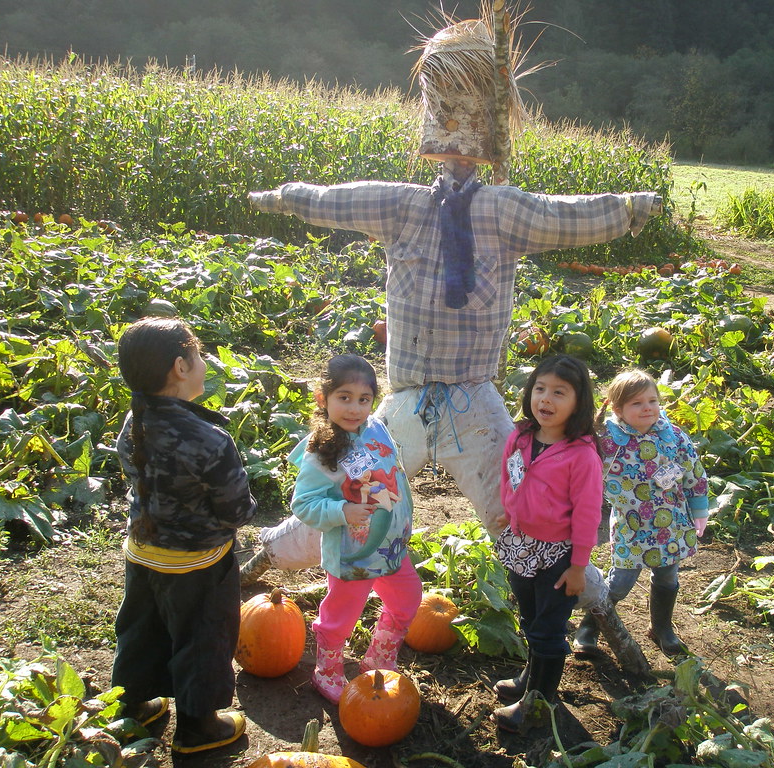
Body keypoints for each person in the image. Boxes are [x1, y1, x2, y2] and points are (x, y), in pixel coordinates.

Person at [246, 13, 662, 546]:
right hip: (407, 401)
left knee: (518, 515)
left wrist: (628, 208)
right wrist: (282, 197)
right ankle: (269, 553)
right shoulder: (404, 206)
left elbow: (564, 216)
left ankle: (573, 585)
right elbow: (334, 200)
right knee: (354, 499)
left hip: (475, 403)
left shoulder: (501, 210)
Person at [112, 317, 255, 754]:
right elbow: (235, 508)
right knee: (203, 638)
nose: (204, 363)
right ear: (179, 367)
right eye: (199, 355)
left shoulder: (134, 420)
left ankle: (132, 706)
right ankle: (198, 727)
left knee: (141, 629)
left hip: (142, 552)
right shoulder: (210, 440)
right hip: (198, 562)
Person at [290, 354, 422, 703]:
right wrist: (342, 510)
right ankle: (327, 670)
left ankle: (379, 656)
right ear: (323, 398)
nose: (354, 408)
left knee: (408, 598)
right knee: (341, 615)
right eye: (344, 397)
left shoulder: (376, 427)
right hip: (353, 555)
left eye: (364, 399)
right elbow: (303, 503)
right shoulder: (322, 452)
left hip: (391, 547)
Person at [491, 354, 603, 733]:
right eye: (540, 388)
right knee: (530, 617)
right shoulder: (521, 436)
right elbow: (509, 475)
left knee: (549, 629)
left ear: (578, 402)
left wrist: (578, 566)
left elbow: (588, 514)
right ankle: (531, 677)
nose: (546, 399)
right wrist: (510, 510)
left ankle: (537, 704)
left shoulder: (582, 455)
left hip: (558, 555)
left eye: (559, 392)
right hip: (521, 543)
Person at [572, 368, 709, 658]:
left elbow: (693, 472)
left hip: (671, 523)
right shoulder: (607, 441)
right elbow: (582, 471)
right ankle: (589, 628)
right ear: (618, 409)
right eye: (637, 403)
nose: (647, 408)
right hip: (631, 525)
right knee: (620, 582)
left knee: (667, 577)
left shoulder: (673, 436)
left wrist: (699, 508)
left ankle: (662, 628)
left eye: (652, 401)